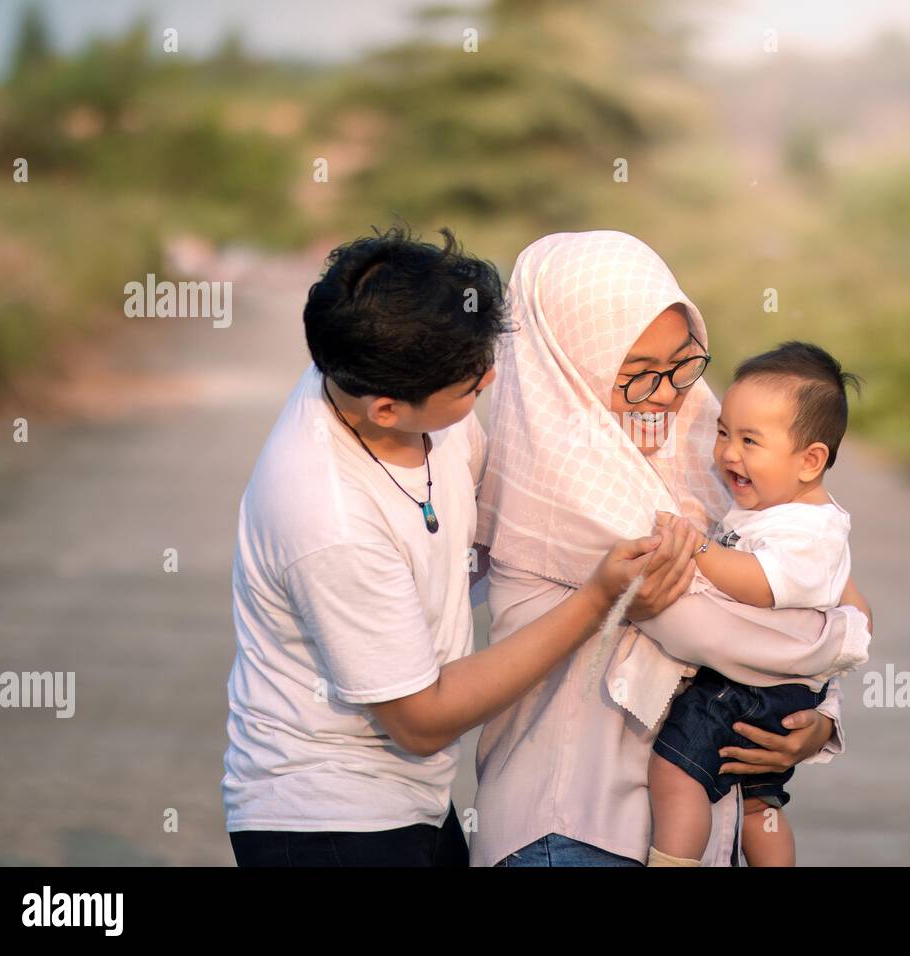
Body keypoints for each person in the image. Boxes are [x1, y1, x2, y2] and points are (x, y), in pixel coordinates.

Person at [221, 227, 698, 866]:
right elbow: (422, 720)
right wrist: (597, 603)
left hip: (412, 802)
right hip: (327, 824)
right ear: (388, 409)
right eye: (472, 389)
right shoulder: (327, 515)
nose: (492, 383)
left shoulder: (388, 370)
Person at [471, 230, 873, 867]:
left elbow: (807, 585)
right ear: (573, 365)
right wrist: (843, 643)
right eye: (634, 375)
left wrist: (818, 721)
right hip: (576, 830)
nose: (665, 394)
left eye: (684, 363)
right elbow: (715, 631)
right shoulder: (563, 481)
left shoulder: (704, 447)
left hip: (691, 828)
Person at [649, 341, 863, 867]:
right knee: (758, 801)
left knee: (675, 773)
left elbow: (760, 584)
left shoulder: (807, 528)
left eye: (750, 441)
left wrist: (696, 548)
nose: (727, 453)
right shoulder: (785, 509)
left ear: (811, 460)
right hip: (778, 693)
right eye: (723, 432)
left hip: (748, 689)